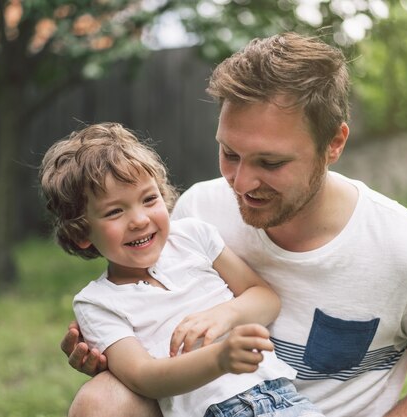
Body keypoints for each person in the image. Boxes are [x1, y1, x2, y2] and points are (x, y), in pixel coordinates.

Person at [61, 33, 407, 417]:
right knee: (102, 401)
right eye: (230, 153)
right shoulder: (198, 211)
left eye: (271, 162)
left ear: (334, 144)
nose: (242, 183)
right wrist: (109, 353)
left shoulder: (406, 250)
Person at [40, 122, 325, 417]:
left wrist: (225, 315)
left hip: (284, 398)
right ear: (81, 233)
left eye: (149, 199)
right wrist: (219, 359)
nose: (139, 220)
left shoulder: (192, 237)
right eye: (115, 211)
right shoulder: (97, 303)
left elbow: (265, 298)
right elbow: (143, 376)